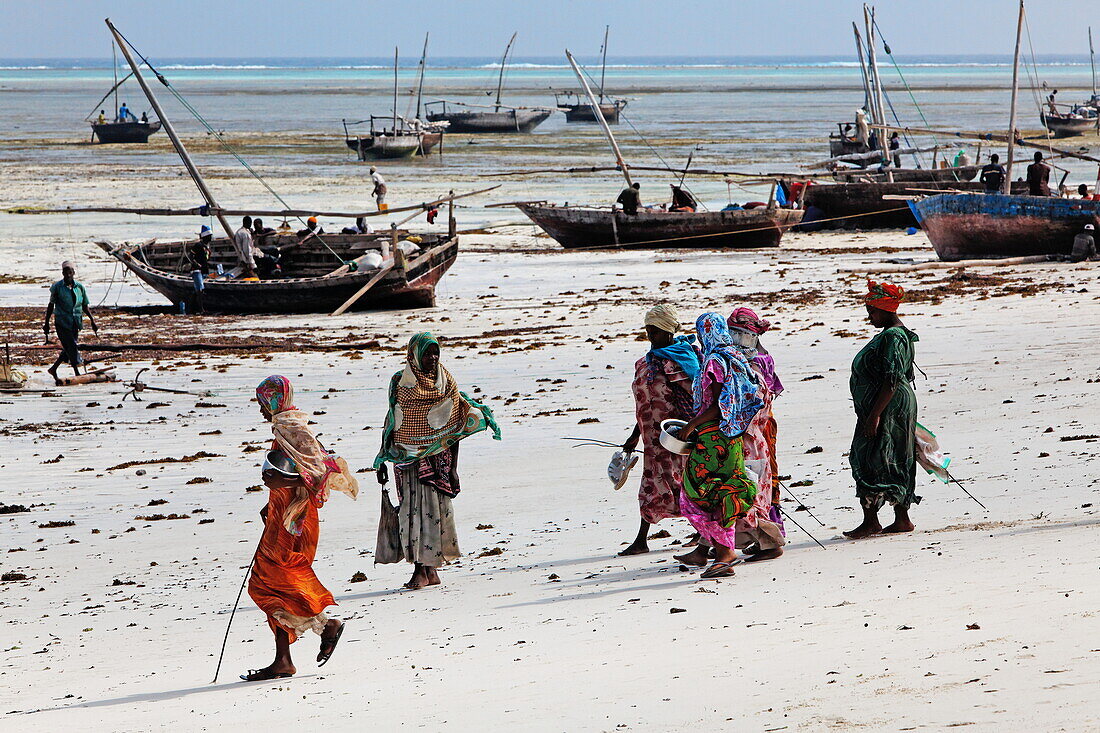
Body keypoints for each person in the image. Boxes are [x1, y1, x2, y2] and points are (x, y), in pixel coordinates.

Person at [242, 375, 358, 681]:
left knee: (279, 577)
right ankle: (283, 659)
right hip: (281, 514)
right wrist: (272, 501)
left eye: (262, 403)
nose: (261, 410)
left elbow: (317, 474)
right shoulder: (283, 429)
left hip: (297, 520)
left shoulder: (295, 430)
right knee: (265, 584)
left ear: (274, 401)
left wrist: (284, 483)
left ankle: (326, 624)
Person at [373, 333, 501, 590]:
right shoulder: (400, 382)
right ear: (414, 355)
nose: (432, 358)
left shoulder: (445, 382)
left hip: (436, 461)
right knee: (410, 512)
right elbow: (392, 420)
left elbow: (455, 426)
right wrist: (382, 458)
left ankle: (423, 570)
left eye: (436, 353)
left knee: (430, 513)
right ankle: (427, 571)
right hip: (405, 460)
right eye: (427, 354)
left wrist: (453, 468)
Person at [675, 313, 764, 579]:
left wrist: (690, 427)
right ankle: (722, 553)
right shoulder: (735, 356)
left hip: (713, 440)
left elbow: (717, 405)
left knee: (695, 494)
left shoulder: (715, 360)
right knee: (722, 492)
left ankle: (725, 553)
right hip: (733, 437)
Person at [618, 304, 701, 556]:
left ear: (667, 332)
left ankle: (702, 532)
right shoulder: (643, 363)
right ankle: (642, 540)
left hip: (676, 437)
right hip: (652, 442)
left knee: (688, 484)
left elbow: (695, 397)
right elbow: (645, 404)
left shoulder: (677, 361)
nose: (650, 336)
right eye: (648, 330)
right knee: (652, 487)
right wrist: (635, 435)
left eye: (654, 331)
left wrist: (693, 430)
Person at [844, 281, 920, 540]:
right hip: (893, 404)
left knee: (869, 454)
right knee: (896, 454)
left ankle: (872, 520)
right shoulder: (899, 334)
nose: (869, 316)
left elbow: (890, 379)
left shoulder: (892, 337)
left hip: (888, 406)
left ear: (886, 309)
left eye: (872, 311)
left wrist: (874, 415)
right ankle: (900, 518)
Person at [728, 307, 786, 555]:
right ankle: (754, 538)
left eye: (739, 334)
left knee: (755, 484)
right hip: (757, 430)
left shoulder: (756, 363)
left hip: (756, 430)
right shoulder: (742, 361)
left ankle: (769, 537)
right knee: (756, 483)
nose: (736, 340)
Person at [44, 261, 98, 385]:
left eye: (70, 272)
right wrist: (46, 323)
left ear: (73, 273)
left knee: (69, 348)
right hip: (62, 322)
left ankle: (54, 369)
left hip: (75, 322)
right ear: (62, 273)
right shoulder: (57, 287)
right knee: (72, 346)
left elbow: (85, 306)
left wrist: (92, 321)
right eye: (65, 272)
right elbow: (51, 305)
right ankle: (77, 371)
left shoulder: (80, 287)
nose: (68, 275)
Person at [187, 225, 212, 313]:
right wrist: (196, 264)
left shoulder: (206, 247)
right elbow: (190, 256)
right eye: (209, 236)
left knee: (197, 290)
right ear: (206, 237)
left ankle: (191, 308)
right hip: (196, 270)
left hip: (203, 270)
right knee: (200, 289)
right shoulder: (198, 245)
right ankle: (201, 309)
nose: (211, 238)